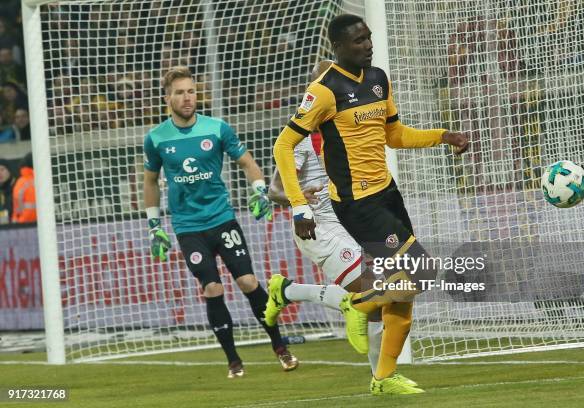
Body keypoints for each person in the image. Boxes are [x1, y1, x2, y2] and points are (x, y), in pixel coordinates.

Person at [273, 14, 468, 395]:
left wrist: (443, 135)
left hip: (387, 194)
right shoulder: (324, 91)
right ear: (338, 47)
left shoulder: (378, 79)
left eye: (368, 37)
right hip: (356, 203)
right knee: (423, 271)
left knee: (406, 290)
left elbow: (394, 135)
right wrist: (298, 205)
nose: (368, 44)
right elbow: (284, 144)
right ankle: (359, 306)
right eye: (359, 40)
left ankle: (383, 378)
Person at [143, 66, 297, 379]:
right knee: (212, 288)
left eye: (191, 91)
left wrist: (258, 191)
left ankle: (280, 347)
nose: (187, 98)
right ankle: (233, 360)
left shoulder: (217, 128)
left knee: (248, 282)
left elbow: (247, 162)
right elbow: (149, 182)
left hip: (223, 220)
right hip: (188, 227)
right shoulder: (156, 138)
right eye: (180, 93)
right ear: (167, 98)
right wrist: (154, 226)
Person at [266, 59, 386, 377]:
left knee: (380, 293)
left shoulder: (349, 130)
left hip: (344, 221)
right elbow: (274, 190)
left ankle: (286, 291)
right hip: (314, 226)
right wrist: (300, 198)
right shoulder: (302, 138)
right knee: (367, 290)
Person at [12, 152, 36, 223]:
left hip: (23, 225)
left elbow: (17, 208)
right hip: (29, 225)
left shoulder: (21, 182)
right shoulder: (42, 180)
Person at [0, 158, 16, 224]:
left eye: (2, 169)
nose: (0, 173)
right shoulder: (2, 190)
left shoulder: (17, 186)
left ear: (9, 170)